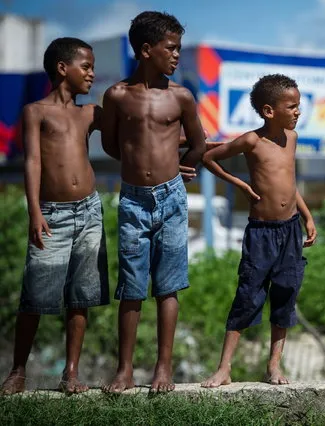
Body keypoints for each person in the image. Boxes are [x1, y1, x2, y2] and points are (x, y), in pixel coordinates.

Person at [101, 11, 206, 394]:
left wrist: (179, 169)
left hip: (172, 198)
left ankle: (164, 368)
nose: (177, 55)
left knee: (168, 285)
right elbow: (112, 144)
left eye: (178, 47)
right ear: (146, 50)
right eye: (171, 47)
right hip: (132, 200)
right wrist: (138, 165)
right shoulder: (116, 96)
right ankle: (124, 370)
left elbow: (198, 144)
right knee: (131, 286)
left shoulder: (180, 97)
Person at [1, 37, 109, 395]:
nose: (92, 73)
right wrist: (34, 211)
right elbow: (32, 162)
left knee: (82, 294)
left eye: (93, 66)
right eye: (87, 66)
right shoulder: (36, 111)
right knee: (35, 294)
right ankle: (18, 371)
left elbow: (135, 135)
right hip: (51, 214)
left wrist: (190, 142)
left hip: (90, 211)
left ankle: (72, 372)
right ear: (63, 68)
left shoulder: (90, 112)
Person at [200, 74, 316, 387]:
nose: (297, 112)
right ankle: (224, 368)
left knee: (285, 295)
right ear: (268, 111)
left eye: (298, 106)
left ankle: (274, 367)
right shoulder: (252, 141)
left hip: (290, 230)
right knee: (248, 295)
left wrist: (307, 216)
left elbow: (289, 184)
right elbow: (209, 157)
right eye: (291, 106)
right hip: (261, 233)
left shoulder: (291, 139)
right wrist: (239, 183)